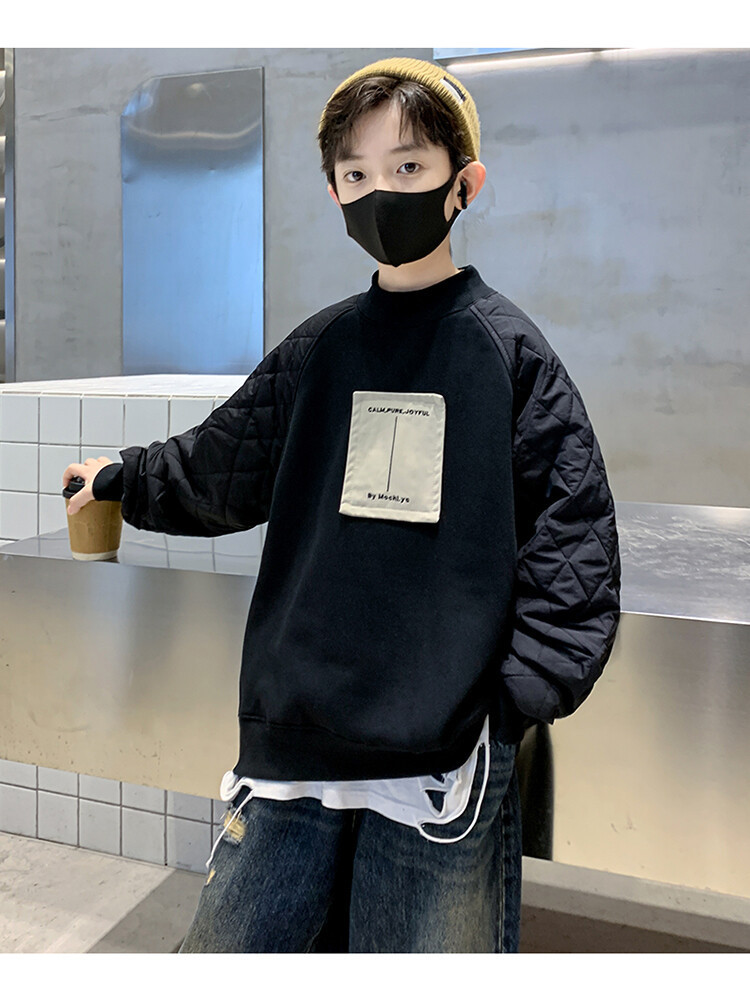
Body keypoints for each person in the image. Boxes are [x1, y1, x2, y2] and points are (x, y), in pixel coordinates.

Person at [62, 56, 621, 953]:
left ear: (464, 185)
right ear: (333, 193)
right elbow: (221, 464)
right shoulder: (320, 349)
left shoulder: (509, 356)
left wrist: (504, 705)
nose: (380, 193)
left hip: (439, 766)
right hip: (299, 741)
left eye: (409, 167)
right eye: (356, 175)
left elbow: (575, 544)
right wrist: (125, 476)